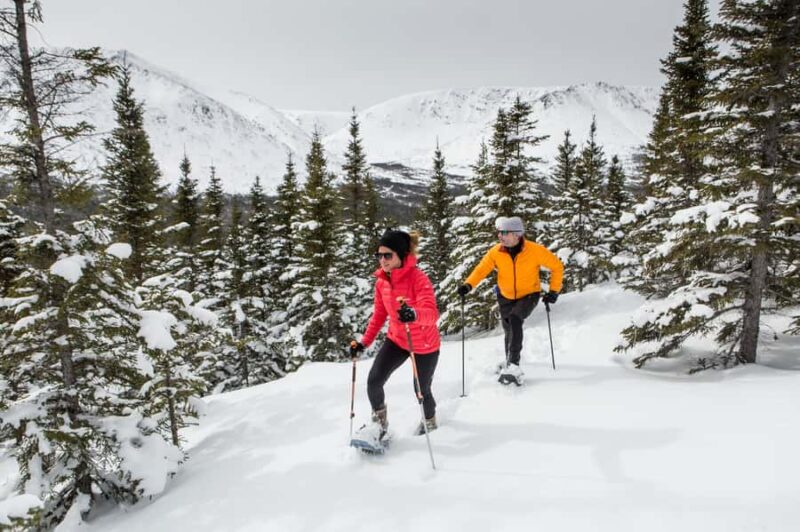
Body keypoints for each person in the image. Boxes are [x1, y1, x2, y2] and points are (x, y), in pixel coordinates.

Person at [350, 229, 441, 447]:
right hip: (398, 339)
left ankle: (430, 422)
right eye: (379, 255)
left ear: (401, 255)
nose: (382, 260)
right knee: (374, 380)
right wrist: (363, 343)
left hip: (424, 344)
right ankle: (379, 426)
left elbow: (432, 314)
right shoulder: (382, 281)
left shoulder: (418, 278)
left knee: (421, 390)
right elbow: (379, 315)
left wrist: (415, 313)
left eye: (387, 255)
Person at [457, 216, 564, 385]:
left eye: (505, 232)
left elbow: (557, 266)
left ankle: (514, 365)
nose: (500, 236)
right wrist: (468, 285)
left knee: (515, 319)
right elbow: (481, 269)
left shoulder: (534, 250)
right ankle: (509, 361)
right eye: (499, 232)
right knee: (508, 330)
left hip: (529, 294)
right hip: (505, 295)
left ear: (517, 234)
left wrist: (554, 291)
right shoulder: (496, 251)